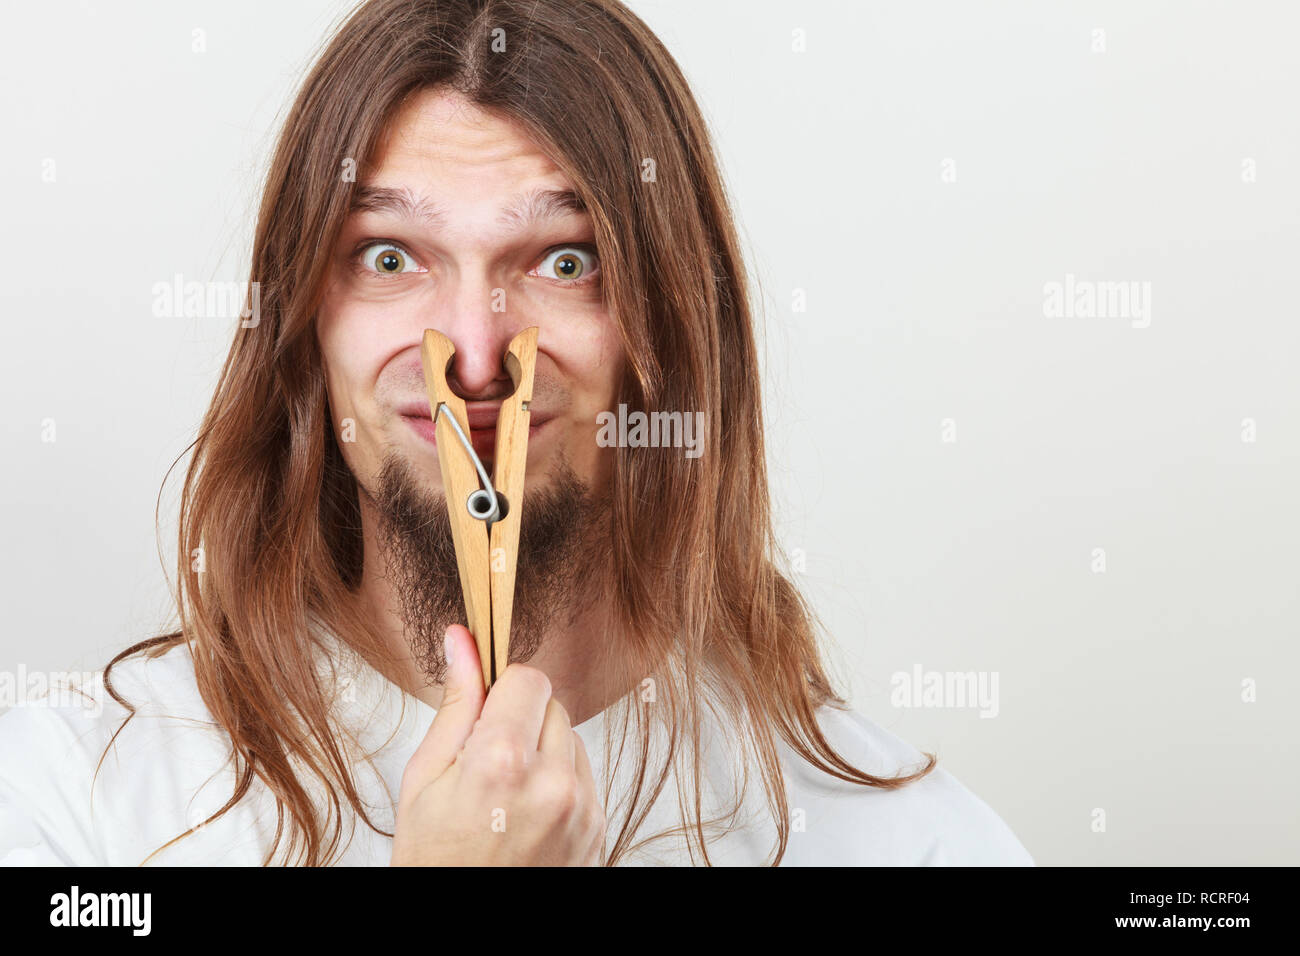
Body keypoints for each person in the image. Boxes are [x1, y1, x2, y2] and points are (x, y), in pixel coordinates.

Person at [0, 0, 1031, 866]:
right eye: (391, 257)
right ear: (305, 321)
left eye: (564, 260)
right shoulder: (69, 800)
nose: (478, 355)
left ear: (670, 326)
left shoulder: (913, 845)